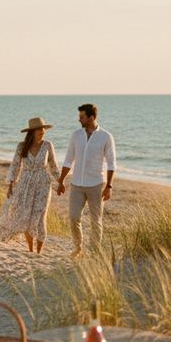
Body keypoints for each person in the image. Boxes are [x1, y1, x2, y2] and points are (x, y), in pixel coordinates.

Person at [56, 103, 116, 257]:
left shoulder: (106, 137)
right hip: (76, 185)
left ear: (91, 117)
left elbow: (111, 163)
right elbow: (69, 159)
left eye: (82, 117)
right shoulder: (76, 135)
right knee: (74, 217)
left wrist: (109, 186)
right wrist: (61, 180)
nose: (79, 120)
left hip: (96, 185)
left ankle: (95, 253)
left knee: (96, 222)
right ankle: (78, 248)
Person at [0, 117, 61, 254]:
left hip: (43, 183)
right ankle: (30, 250)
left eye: (43, 128)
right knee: (27, 216)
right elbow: (15, 166)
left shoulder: (48, 145)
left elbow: (53, 166)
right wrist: (10, 185)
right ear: (32, 132)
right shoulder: (21, 146)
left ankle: (39, 252)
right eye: (39, 129)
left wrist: (61, 181)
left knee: (41, 215)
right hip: (25, 184)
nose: (42, 131)